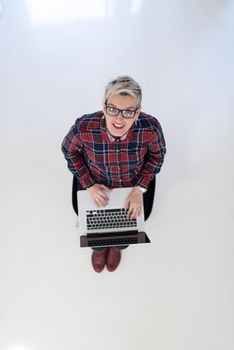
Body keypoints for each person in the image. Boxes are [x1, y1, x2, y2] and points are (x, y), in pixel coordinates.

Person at [61, 75, 166, 273]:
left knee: (125, 230)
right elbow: (68, 150)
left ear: (137, 113)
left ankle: (118, 247)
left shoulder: (150, 128)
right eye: (113, 109)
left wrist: (139, 189)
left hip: (133, 187)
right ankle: (98, 247)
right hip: (96, 184)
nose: (119, 118)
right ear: (104, 107)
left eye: (128, 112)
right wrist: (89, 185)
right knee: (94, 229)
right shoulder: (84, 127)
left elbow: (157, 156)